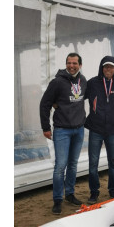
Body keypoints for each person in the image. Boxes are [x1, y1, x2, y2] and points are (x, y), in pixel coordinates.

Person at [39, 52, 87, 215]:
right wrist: (45, 127)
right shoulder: (57, 82)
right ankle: (58, 199)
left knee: (73, 164)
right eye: (69, 63)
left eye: (75, 63)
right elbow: (45, 104)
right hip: (62, 130)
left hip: (79, 129)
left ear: (80, 65)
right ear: (66, 64)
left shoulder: (83, 81)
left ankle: (70, 194)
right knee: (60, 166)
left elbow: (80, 100)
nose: (71, 66)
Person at [85, 56, 114, 204]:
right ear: (102, 68)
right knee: (93, 163)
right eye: (106, 67)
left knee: (113, 161)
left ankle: (113, 189)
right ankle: (94, 192)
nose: (109, 69)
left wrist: (112, 112)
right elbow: (79, 97)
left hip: (112, 130)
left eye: (112, 67)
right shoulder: (92, 83)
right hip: (96, 129)